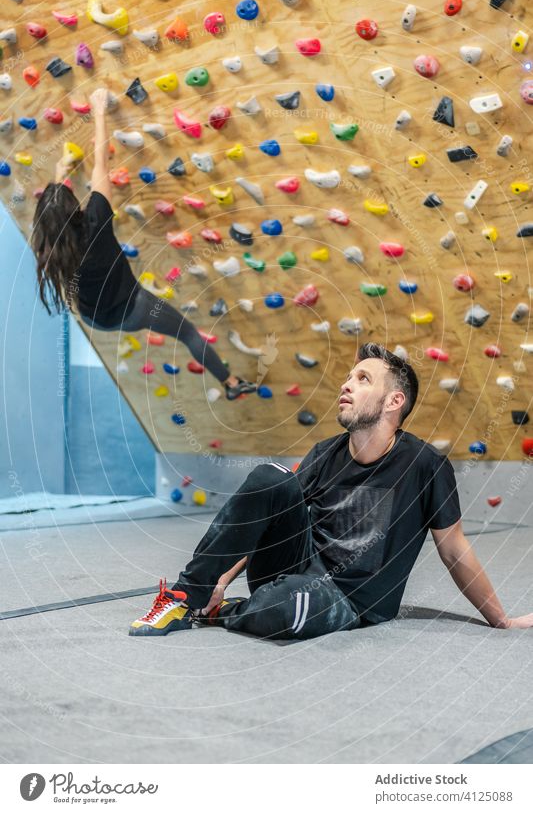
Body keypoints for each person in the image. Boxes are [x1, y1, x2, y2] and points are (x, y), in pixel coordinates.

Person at [130, 342, 533, 639]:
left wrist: (500, 618)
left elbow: (454, 549)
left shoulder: (425, 465)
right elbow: (265, 518)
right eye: (347, 378)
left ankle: (231, 613)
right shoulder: (325, 453)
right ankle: (188, 597)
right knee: (272, 476)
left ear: (394, 401)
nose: (346, 385)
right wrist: (221, 579)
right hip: (293, 565)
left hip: (349, 600)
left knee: (285, 608)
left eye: (362, 379)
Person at [30, 87, 257, 402]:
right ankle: (231, 383)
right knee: (188, 332)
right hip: (131, 308)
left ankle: (231, 382)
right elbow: (100, 164)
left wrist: (60, 170)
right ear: (75, 209)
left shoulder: (49, 246)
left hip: (96, 316)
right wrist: (98, 111)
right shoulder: (95, 218)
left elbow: (55, 215)